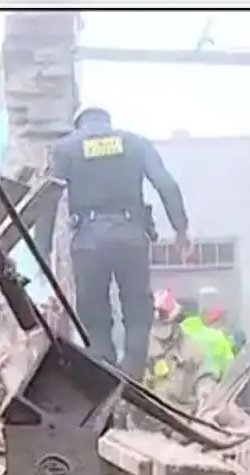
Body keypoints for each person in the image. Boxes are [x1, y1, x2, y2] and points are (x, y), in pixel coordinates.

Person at [36, 107, 192, 383]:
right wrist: (180, 230)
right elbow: (166, 184)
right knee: (136, 310)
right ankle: (131, 375)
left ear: (79, 125)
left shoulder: (66, 148)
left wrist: (42, 248)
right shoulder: (135, 143)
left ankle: (105, 376)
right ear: (107, 122)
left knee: (93, 314)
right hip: (131, 236)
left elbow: (47, 197)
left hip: (88, 241)